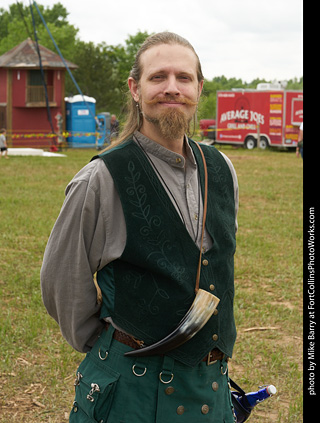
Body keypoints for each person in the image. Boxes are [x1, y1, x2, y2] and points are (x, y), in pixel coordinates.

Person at [41, 32, 239, 423]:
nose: (172, 88)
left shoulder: (223, 169)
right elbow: (62, 279)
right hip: (132, 387)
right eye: (157, 77)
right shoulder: (100, 177)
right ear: (135, 88)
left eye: (183, 78)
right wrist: (105, 342)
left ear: (199, 88)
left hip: (210, 386)